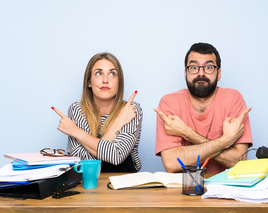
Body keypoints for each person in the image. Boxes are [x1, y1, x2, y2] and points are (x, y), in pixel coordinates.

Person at [155, 43, 252, 174]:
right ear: (185, 73)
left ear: (219, 73)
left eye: (209, 67)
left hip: (225, 189)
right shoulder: (169, 103)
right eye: (194, 67)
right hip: (184, 190)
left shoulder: (233, 99)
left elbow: (238, 162)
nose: (201, 73)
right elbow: (171, 163)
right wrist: (225, 141)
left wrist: (186, 132)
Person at [52, 52, 142, 172]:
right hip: (88, 180)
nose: (105, 80)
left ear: (119, 82)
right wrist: (118, 123)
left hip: (125, 182)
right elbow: (84, 161)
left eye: (112, 74)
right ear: (89, 82)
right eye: (99, 73)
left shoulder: (131, 110)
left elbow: (117, 156)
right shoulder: (77, 109)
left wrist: (75, 131)